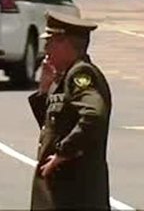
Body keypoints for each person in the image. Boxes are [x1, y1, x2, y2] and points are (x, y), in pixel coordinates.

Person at [29, 12, 112, 211]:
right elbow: (53, 126)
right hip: (60, 194)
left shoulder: (81, 74)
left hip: (75, 194)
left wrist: (62, 153)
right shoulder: (64, 78)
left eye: (50, 42)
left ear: (64, 43)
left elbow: (93, 115)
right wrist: (44, 90)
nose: (45, 49)